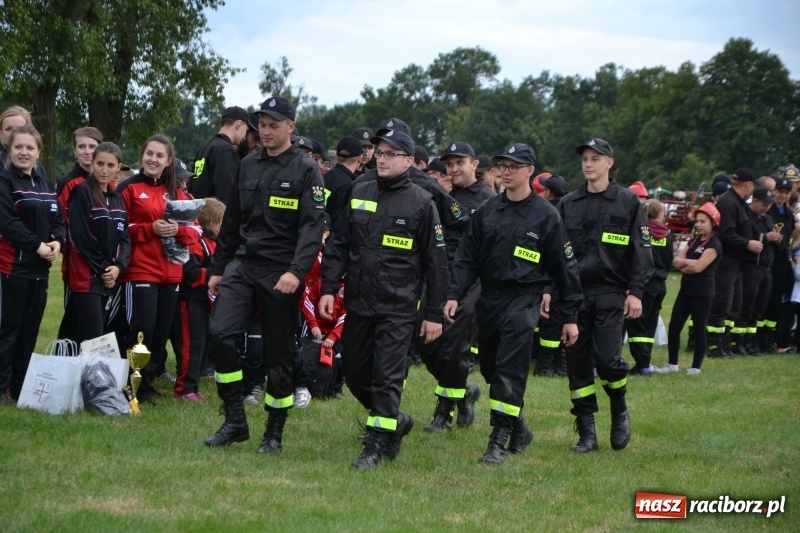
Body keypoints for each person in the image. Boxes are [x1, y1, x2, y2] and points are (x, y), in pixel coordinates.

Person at [203, 96, 326, 455]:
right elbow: (233, 221)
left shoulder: (306, 170)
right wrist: (219, 268)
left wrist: (296, 271)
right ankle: (235, 420)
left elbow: (311, 227)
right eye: (263, 125)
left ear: (291, 126)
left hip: (282, 270)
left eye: (274, 125)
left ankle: (274, 432)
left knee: (278, 355)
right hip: (244, 262)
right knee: (221, 333)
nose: (267, 131)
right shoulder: (248, 165)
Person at [320, 128, 448, 470]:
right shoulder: (359, 189)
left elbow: (436, 264)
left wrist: (434, 313)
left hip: (399, 307)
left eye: (391, 154)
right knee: (355, 375)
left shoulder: (422, 202)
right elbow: (339, 244)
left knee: (387, 378)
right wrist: (329, 288)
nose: (383, 158)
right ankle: (395, 421)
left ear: (409, 161)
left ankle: (376, 445)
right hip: (359, 302)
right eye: (379, 152)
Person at [446, 142, 581, 464]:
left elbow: (565, 269)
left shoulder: (546, 216)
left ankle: (498, 439)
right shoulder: (488, 211)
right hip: (490, 300)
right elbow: (466, 258)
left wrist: (570, 315)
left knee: (510, 369)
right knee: (492, 370)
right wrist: (453, 294)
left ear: (529, 171)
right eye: (503, 166)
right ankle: (519, 426)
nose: (506, 171)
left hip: (524, 300)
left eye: (514, 166)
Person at [558, 138, 653, 453]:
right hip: (574, 294)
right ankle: (587, 433)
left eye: (595, 158)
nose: (588, 164)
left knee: (608, 360)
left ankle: (619, 403)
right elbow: (554, 252)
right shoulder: (568, 203)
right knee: (577, 364)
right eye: (584, 158)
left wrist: (635, 292)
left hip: (611, 292)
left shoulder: (627, 202)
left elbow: (642, 251)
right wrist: (548, 289)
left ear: (609, 163)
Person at [116, 134, 202, 403]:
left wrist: (178, 231)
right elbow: (117, 228)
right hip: (140, 270)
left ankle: (146, 382)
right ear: (142, 155)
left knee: (161, 332)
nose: (153, 159)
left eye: (159, 156)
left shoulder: (179, 193)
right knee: (141, 330)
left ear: (168, 162)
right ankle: (130, 384)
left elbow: (197, 230)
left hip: (171, 272)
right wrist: (148, 229)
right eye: (149, 153)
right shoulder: (128, 189)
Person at [421, 141, 494, 434]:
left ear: (474, 164)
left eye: (459, 163)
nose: (453, 170)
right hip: (441, 274)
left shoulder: (489, 200)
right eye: (449, 165)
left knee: (452, 344)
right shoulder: (440, 195)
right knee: (425, 341)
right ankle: (464, 389)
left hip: (474, 280)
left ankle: (444, 412)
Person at [0, 124, 64, 402]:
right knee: (8, 330)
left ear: (38, 151)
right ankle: (2, 388)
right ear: (9, 150)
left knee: (29, 332)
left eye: (29, 147)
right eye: (18, 147)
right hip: (12, 268)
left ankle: (20, 387)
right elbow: (7, 223)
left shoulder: (46, 183)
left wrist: (57, 242)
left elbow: (59, 221)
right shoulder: (4, 181)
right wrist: (38, 246)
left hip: (39, 271)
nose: (23, 152)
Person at [65, 142, 130, 344]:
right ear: (92, 163)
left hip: (109, 277)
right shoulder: (81, 192)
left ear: (118, 167)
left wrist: (118, 267)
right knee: (92, 336)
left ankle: (72, 372)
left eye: (110, 165)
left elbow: (125, 238)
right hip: (87, 279)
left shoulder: (117, 199)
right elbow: (81, 238)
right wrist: (104, 269)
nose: (104, 170)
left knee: (87, 330)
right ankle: (86, 375)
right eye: (100, 163)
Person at [657, 203, 722, 374]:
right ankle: (672, 364)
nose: (699, 225)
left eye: (703, 221)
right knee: (675, 326)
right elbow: (676, 262)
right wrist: (689, 264)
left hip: (703, 293)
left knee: (699, 327)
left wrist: (687, 264)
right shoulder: (694, 241)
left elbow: (698, 268)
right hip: (685, 290)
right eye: (697, 221)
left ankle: (695, 367)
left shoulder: (714, 244)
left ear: (713, 223)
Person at [171, 197, 225, 401]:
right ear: (212, 222)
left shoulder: (214, 243)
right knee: (190, 346)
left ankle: (193, 384)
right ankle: (184, 389)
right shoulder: (196, 243)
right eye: (221, 223)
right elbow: (191, 274)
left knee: (202, 346)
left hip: (205, 303)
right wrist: (215, 275)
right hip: (190, 302)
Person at [56, 126, 104, 342]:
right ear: (74, 150)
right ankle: (63, 364)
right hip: (77, 269)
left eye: (92, 146)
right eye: (81, 146)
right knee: (74, 320)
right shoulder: (69, 183)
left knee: (98, 321)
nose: (87, 151)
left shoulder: (107, 183)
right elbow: (63, 224)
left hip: (105, 266)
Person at [706, 168, 761, 358]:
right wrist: (747, 243)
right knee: (721, 302)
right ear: (747, 184)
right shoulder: (729, 202)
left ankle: (725, 343)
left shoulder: (738, 203)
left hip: (736, 262)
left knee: (734, 304)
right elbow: (726, 233)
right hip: (726, 260)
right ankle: (713, 345)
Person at [625, 199, 672, 376]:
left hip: (643, 286)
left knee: (637, 325)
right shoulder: (667, 234)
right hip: (660, 285)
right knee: (650, 324)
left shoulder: (642, 233)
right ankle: (646, 362)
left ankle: (642, 365)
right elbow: (669, 261)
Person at [532, 175, 570, 378]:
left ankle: (545, 365)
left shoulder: (548, 213)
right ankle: (560, 363)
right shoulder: (569, 209)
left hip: (549, 275)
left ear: (546, 192)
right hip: (569, 274)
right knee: (566, 318)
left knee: (550, 321)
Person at [735, 187, 780, 355]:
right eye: (763, 204)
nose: (766, 208)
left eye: (768, 205)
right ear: (754, 201)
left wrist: (777, 239)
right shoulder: (746, 217)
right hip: (751, 266)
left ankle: (751, 342)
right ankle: (738, 342)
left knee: (759, 307)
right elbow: (748, 240)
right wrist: (766, 238)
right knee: (747, 305)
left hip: (766, 268)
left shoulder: (768, 219)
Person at [190, 106, 256, 204]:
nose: (244, 136)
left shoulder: (204, 149)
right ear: (239, 124)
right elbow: (227, 193)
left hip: (196, 213)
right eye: (245, 131)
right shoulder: (226, 150)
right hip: (214, 216)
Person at [764, 177, 795, 353]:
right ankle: (761, 338)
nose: (782, 195)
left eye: (786, 192)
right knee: (765, 300)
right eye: (780, 191)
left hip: (782, 263)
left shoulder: (789, 214)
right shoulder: (769, 211)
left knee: (778, 301)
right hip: (768, 260)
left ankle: (773, 339)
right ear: (774, 191)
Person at [323, 136, 364, 230]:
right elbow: (339, 222)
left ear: (337, 156)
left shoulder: (324, 177)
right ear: (360, 158)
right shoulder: (349, 185)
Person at [0, 106, 48, 180]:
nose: (14, 133)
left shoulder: (39, 167)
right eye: (8, 129)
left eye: (20, 128)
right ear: (1, 133)